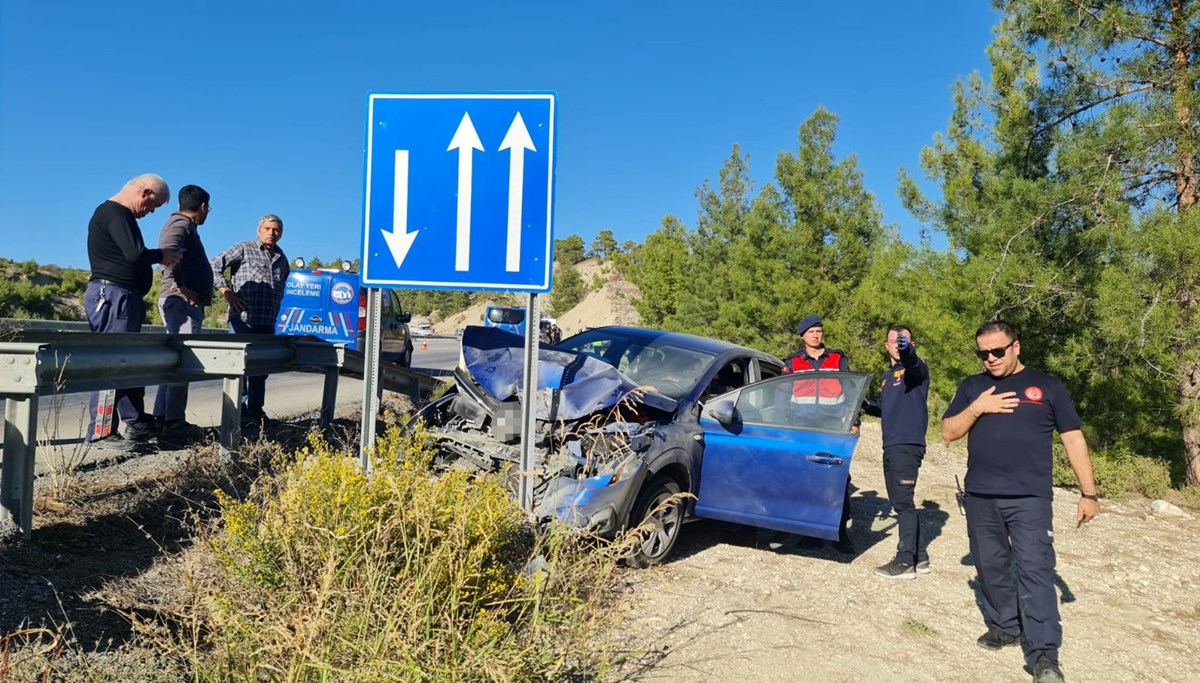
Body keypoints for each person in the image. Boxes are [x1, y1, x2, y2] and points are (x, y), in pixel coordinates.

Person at [941, 320, 1099, 683]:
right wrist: (978, 407)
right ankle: (1004, 626)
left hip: (1029, 498)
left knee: (1035, 571)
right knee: (990, 567)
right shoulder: (973, 387)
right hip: (980, 496)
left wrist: (1088, 493)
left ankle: (1044, 656)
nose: (991, 359)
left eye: (998, 351)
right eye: (983, 353)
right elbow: (948, 432)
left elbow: (1073, 439)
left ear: (1016, 347)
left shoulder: (1047, 387)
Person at [84, 174, 180, 451]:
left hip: (122, 296)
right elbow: (134, 254)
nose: (150, 212)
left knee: (126, 362)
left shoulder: (119, 215)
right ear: (145, 192)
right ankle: (102, 431)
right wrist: (161, 255)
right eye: (153, 206)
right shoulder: (114, 213)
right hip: (113, 296)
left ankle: (136, 422)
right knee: (112, 362)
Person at [781, 314, 855, 554]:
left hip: (833, 427)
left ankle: (839, 534)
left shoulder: (837, 358)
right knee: (806, 479)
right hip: (803, 428)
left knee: (838, 479)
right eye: (811, 331)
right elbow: (781, 396)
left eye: (819, 331)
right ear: (803, 335)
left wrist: (855, 421)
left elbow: (852, 391)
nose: (816, 334)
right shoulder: (792, 363)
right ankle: (809, 533)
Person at [863, 325, 931, 579]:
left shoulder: (917, 369)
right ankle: (920, 556)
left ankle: (904, 563)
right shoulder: (887, 376)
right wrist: (866, 405)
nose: (898, 345)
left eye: (904, 341)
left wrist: (908, 351)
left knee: (902, 502)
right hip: (890, 443)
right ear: (886, 345)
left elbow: (913, 362)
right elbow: (885, 408)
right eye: (895, 341)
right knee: (901, 502)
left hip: (907, 444)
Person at [211, 214, 290, 425]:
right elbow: (215, 264)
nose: (272, 233)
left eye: (276, 230)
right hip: (243, 320)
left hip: (267, 322)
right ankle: (239, 413)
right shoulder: (244, 248)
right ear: (259, 230)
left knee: (261, 370)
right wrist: (226, 291)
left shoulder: (282, 258)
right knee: (240, 369)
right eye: (268, 228)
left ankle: (256, 411)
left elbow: (281, 286)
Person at [151, 185, 214, 448]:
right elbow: (168, 252)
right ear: (202, 207)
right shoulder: (180, 225)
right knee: (183, 362)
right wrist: (178, 285)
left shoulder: (184, 226)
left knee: (176, 362)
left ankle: (163, 418)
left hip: (183, 302)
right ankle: (174, 422)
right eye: (208, 209)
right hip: (180, 302)